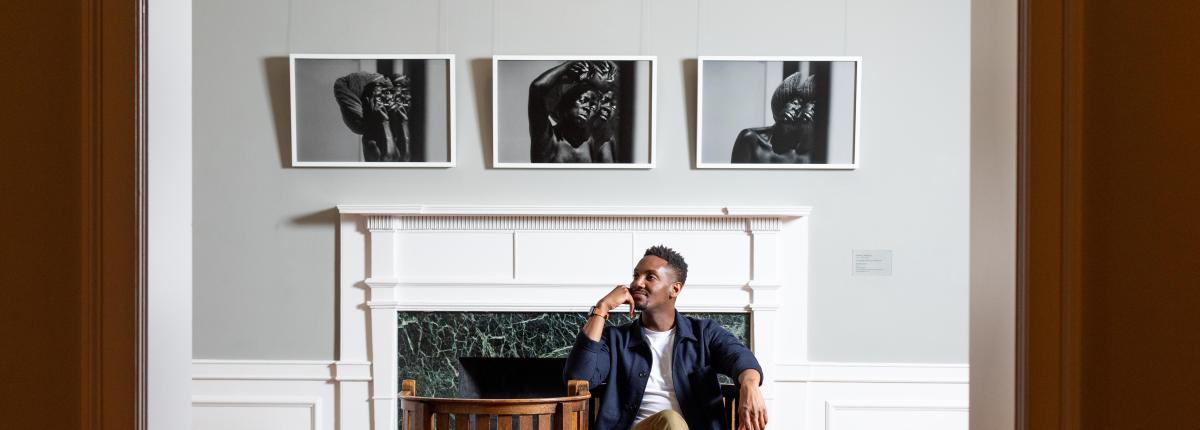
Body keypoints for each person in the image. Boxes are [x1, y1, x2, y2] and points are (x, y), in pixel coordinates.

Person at [563, 246, 769, 430]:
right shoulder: (616, 339)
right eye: (636, 275)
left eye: (649, 277)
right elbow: (579, 377)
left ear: (675, 289)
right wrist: (602, 308)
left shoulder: (704, 333)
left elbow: (739, 357)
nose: (637, 283)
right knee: (670, 420)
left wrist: (750, 385)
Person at [528, 61, 615, 163]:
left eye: (593, 105)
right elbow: (537, 88)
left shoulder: (598, 144)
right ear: (565, 104)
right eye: (584, 100)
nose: (588, 107)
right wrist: (568, 66)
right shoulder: (548, 140)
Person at [730, 72, 818, 163]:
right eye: (793, 102)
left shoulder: (810, 150)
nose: (794, 108)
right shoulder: (751, 140)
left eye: (800, 104)